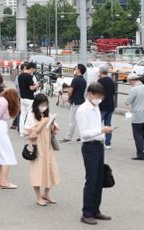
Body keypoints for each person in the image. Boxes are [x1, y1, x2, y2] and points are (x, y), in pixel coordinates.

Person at [75, 82, 114, 225]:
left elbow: (96, 126)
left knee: (99, 179)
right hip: (89, 146)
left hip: (99, 145)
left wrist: (103, 129)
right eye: (97, 96)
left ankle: (96, 209)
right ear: (90, 94)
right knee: (91, 180)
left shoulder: (96, 107)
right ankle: (86, 213)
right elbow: (84, 134)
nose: (99, 99)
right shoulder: (82, 110)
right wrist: (101, 131)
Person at [24, 94, 60, 206]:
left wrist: (52, 124)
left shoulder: (47, 114)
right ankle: (38, 196)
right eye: (42, 104)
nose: (44, 107)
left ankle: (46, 194)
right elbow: (29, 134)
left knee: (51, 170)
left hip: (48, 147)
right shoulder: (31, 116)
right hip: (37, 147)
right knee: (38, 172)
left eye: (46, 104)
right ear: (36, 105)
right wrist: (42, 123)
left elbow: (54, 131)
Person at [125, 74, 144, 160]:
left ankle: (140, 154)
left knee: (138, 135)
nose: (130, 84)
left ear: (132, 80)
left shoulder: (134, 89)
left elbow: (127, 101)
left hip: (137, 115)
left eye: (129, 82)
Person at [61, 64, 87, 143]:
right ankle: (82, 136)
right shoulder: (84, 81)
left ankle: (68, 137)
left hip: (75, 102)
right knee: (81, 120)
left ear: (79, 70)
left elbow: (70, 91)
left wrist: (68, 98)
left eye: (76, 68)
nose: (75, 69)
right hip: (82, 101)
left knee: (72, 121)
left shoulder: (75, 80)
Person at [18, 62, 38, 136]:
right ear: (31, 68)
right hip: (29, 98)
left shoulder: (20, 76)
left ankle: (21, 132)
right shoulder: (29, 77)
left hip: (22, 97)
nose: (34, 71)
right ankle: (27, 130)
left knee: (22, 114)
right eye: (34, 69)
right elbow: (31, 88)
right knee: (30, 114)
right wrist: (36, 85)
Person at [98, 66, 115, 150]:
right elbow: (113, 92)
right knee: (108, 124)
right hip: (110, 105)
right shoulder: (111, 81)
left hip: (102, 106)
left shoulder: (100, 81)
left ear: (101, 72)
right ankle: (108, 143)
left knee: (97, 124)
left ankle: (96, 141)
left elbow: (97, 94)